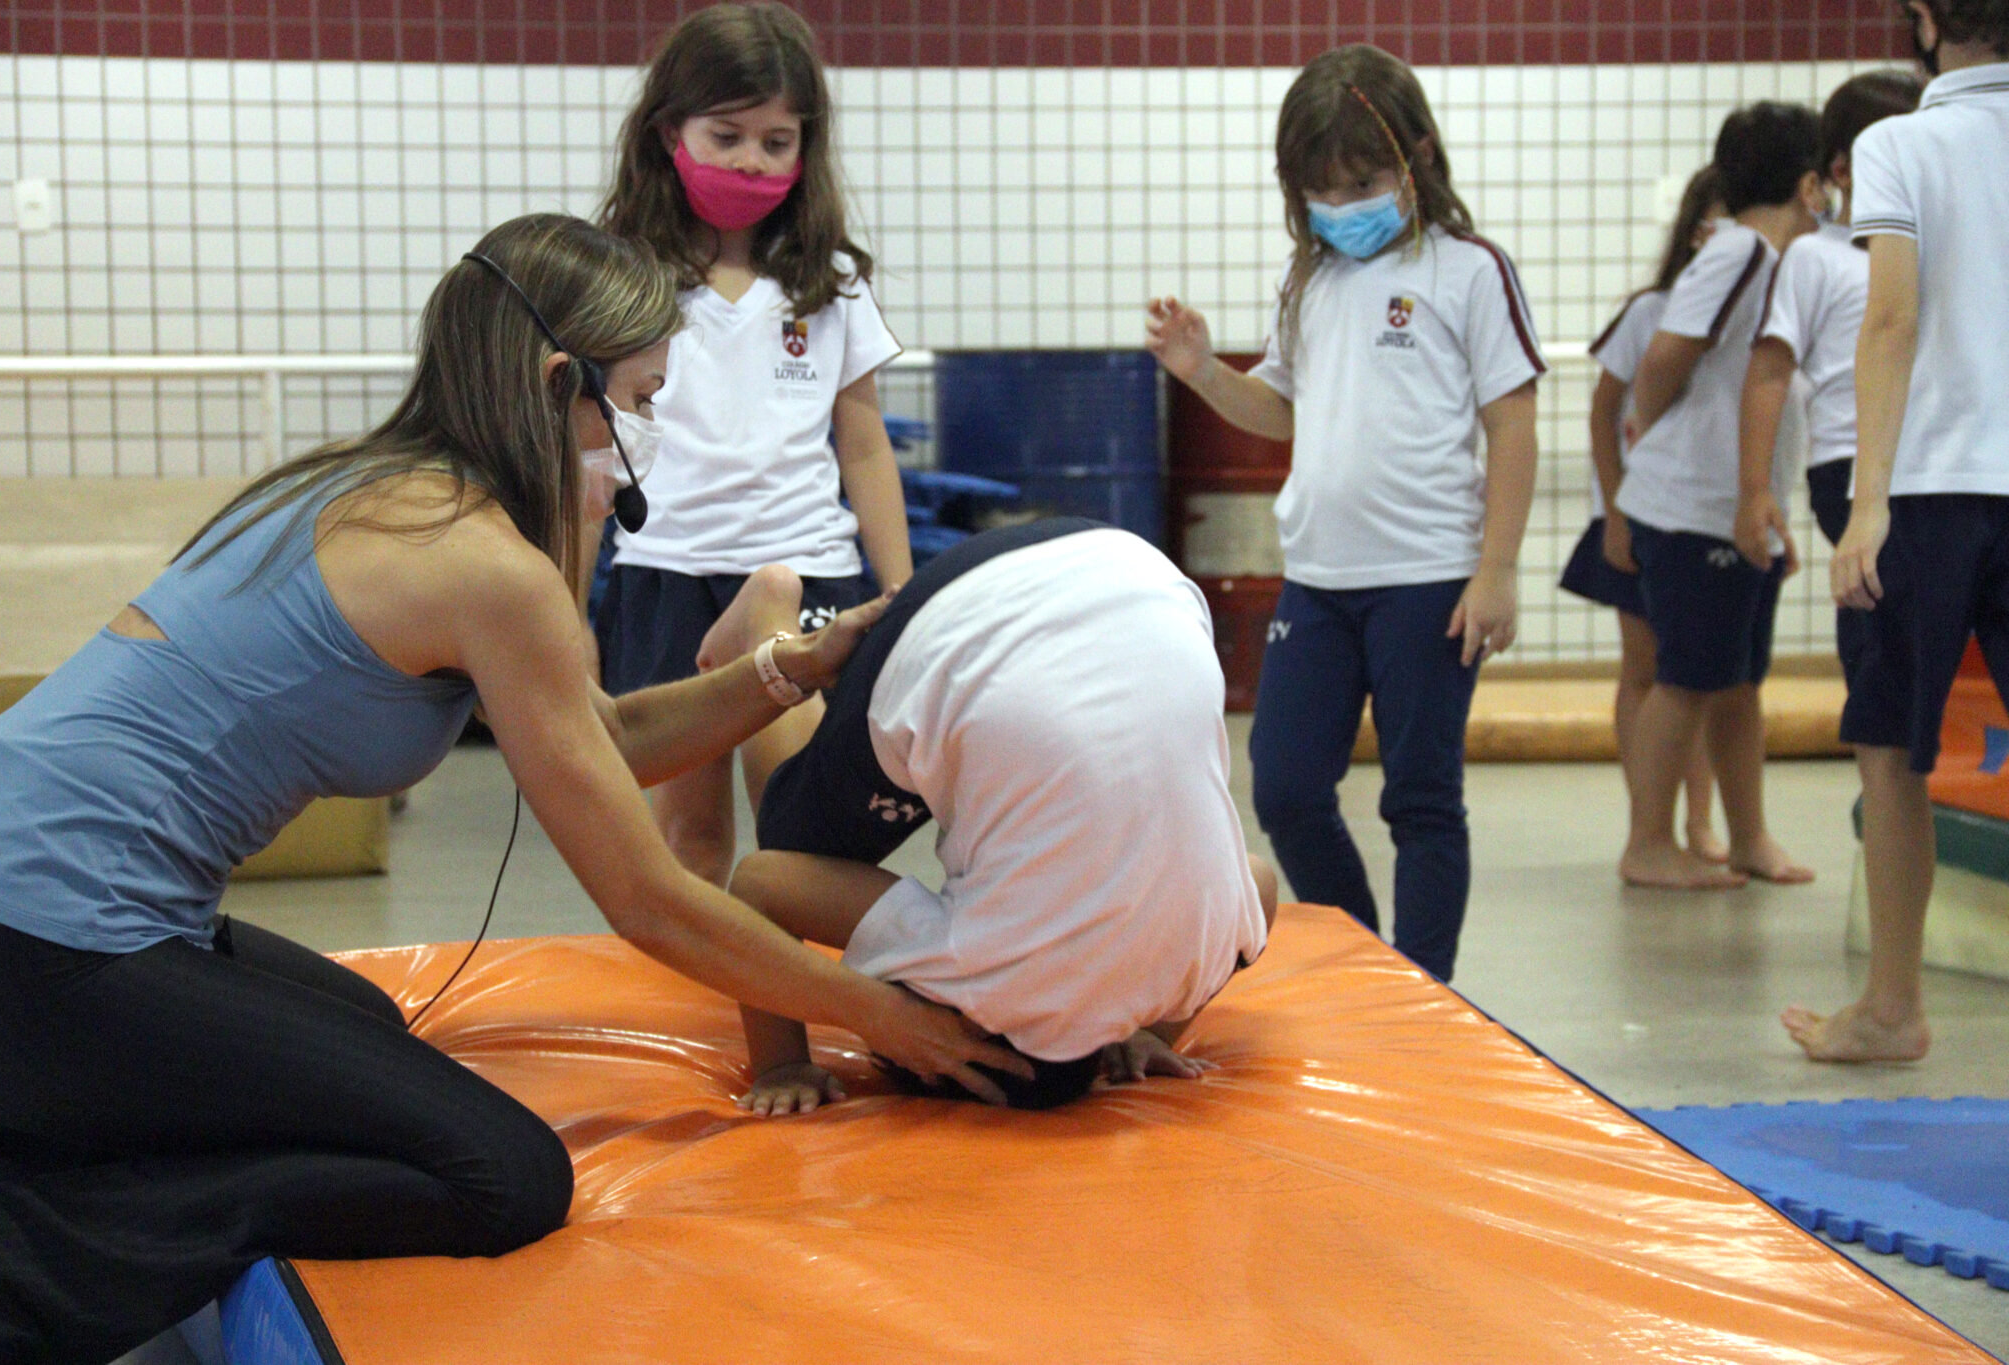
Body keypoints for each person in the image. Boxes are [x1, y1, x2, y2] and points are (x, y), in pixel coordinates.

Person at [0, 215, 1024, 1365]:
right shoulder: (477, 563)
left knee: (366, 1032)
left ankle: (64, 1164)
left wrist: (791, 670)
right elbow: (647, 900)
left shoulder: (370, 487)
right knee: (502, 1177)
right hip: (35, 947)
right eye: (639, 399)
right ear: (559, 383)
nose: (642, 434)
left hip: (14, 896)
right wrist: (879, 1013)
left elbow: (602, 737)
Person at [1145, 44, 1542, 983]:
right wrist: (1202, 372)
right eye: (1321, 190)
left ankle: (1426, 988)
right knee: (1285, 786)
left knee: (1421, 798)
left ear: (1417, 156)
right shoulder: (1310, 279)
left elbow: (1513, 424)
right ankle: (1368, 961)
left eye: (1362, 184)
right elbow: (1281, 408)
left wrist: (1496, 571)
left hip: (1430, 581)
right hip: (1320, 580)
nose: (1342, 205)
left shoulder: (1468, 270)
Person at [693, 520, 1275, 1115]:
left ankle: (774, 631)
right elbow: (759, 883)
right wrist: (784, 1064)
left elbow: (1261, 881)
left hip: (1141, 575)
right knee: (792, 844)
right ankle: (769, 624)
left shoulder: (1202, 957)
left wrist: (1150, 1031)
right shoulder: (975, 975)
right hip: (961, 617)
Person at [593, 2, 911, 889]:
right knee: (689, 834)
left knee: (799, 827)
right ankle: (700, 969)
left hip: (804, 569)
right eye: (726, 136)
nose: (750, 162)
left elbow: (864, 445)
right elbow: (587, 446)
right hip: (668, 573)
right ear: (671, 134)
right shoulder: (626, 276)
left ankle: (796, 971)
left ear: (806, 147)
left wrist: (900, 589)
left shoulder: (829, 282)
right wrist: (565, 598)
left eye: (777, 142)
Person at [1789, 1, 2009, 1063]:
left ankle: (1891, 1007)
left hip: (1930, 490)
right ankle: (1885, 1008)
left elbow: (1890, 318)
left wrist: (1865, 502)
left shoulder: (1899, 142)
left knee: (1889, 748)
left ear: (1923, 21)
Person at [1611, 101, 1825, 891]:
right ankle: (1647, 841)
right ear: (1809, 183)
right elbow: (1664, 358)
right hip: (1694, 506)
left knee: (1737, 684)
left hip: (1736, 507)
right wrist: (1662, 437)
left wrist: (1763, 501)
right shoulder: (1738, 251)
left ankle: (1749, 836)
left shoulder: (1773, 260)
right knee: (1687, 680)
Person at [1566, 165, 1732, 867]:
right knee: (1647, 668)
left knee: (1699, 675)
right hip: (1638, 514)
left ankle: (1698, 820)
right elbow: (1603, 412)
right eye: (1720, 223)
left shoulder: (1755, 313)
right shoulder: (1650, 311)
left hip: (1707, 517)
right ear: (1695, 232)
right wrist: (1614, 514)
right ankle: (1649, 818)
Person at [1736, 72, 1924, 682]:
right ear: (1841, 171)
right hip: (1847, 464)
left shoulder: (1927, 249)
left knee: (1921, 628)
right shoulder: (1818, 254)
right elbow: (1769, 373)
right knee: (1882, 626)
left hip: (1926, 460)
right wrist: (1756, 490)